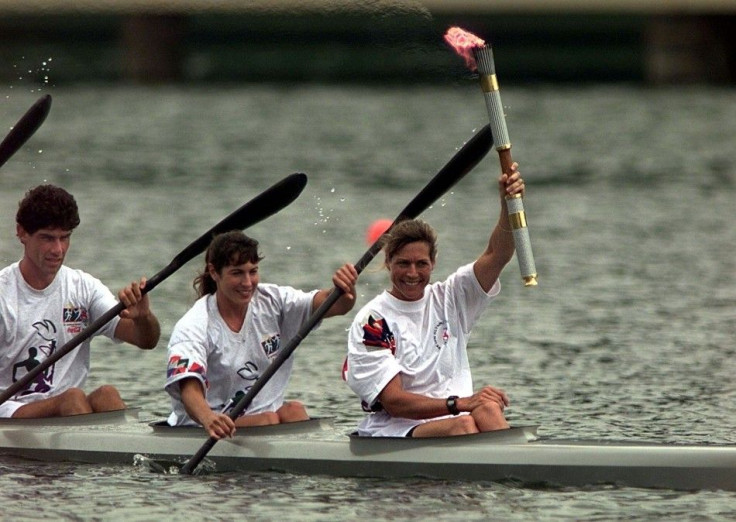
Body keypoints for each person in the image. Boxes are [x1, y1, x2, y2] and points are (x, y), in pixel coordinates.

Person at [344, 164, 526, 438]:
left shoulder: (451, 297)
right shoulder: (374, 321)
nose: (413, 273)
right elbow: (394, 402)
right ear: (388, 262)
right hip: (397, 428)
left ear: (433, 263)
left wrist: (508, 204)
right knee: (465, 423)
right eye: (403, 263)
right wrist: (461, 403)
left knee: (488, 407)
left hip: (458, 417)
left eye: (421, 264)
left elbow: (497, 254)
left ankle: (521, 470)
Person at [165, 230, 358, 440]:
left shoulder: (272, 300)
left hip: (260, 418)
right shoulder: (194, 325)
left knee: (294, 411)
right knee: (268, 420)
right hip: (203, 426)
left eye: (253, 271)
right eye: (237, 273)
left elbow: (336, 305)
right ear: (214, 272)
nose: (248, 282)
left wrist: (345, 289)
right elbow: (189, 388)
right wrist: (208, 418)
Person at [0, 184, 161, 418]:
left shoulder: (83, 287)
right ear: (22, 233)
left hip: (68, 407)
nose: (58, 249)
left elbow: (146, 341)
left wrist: (143, 318)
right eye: (47, 238)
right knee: (72, 398)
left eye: (64, 238)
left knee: (107, 394)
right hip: (9, 409)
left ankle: (131, 454)